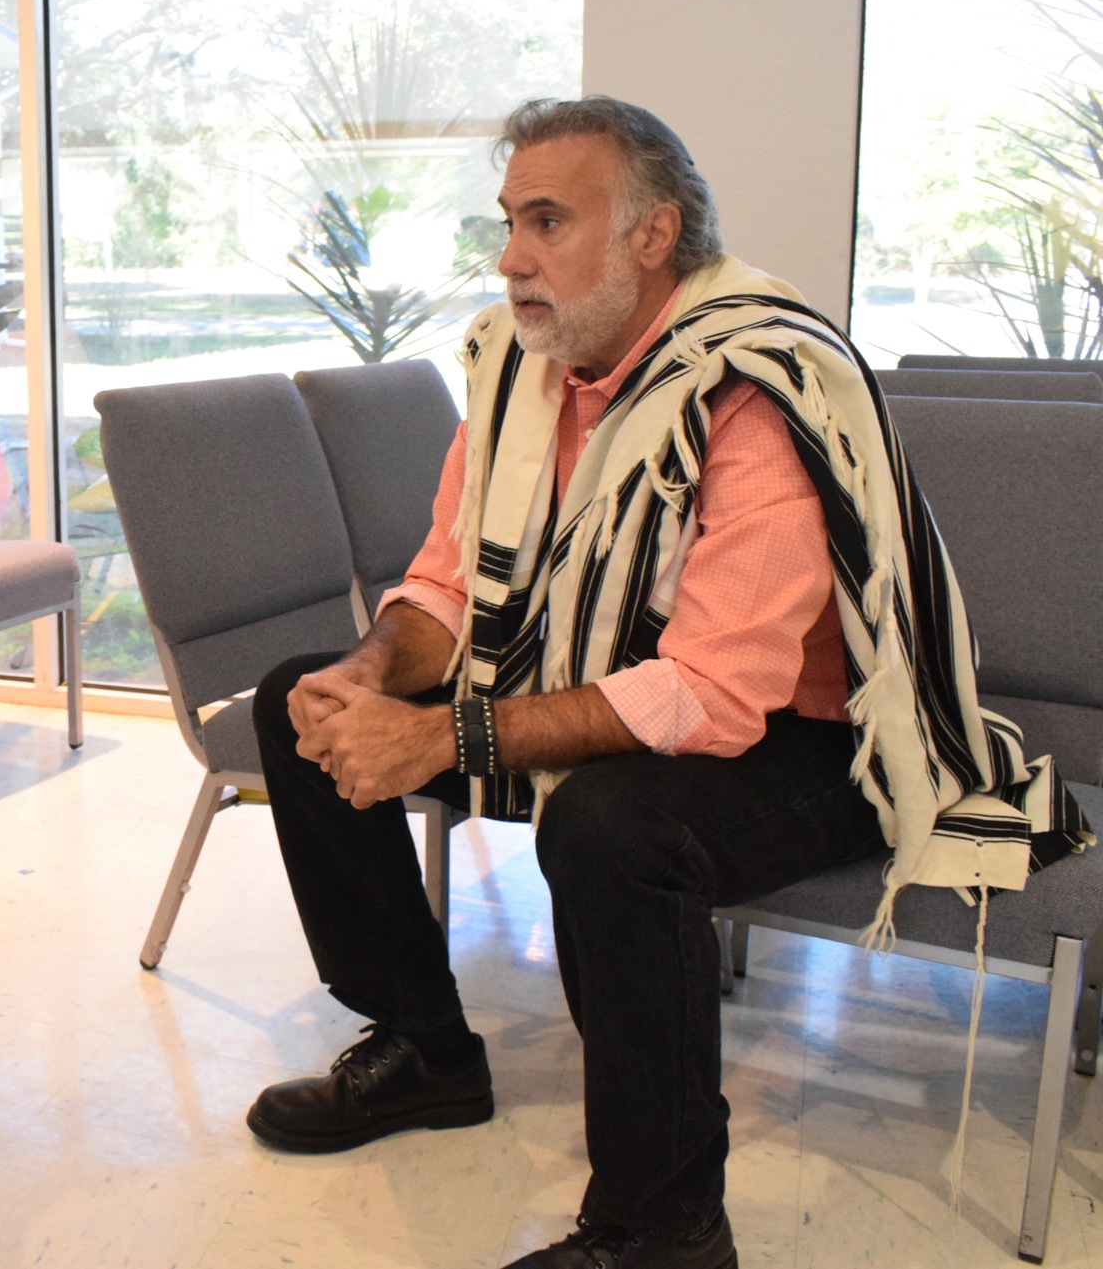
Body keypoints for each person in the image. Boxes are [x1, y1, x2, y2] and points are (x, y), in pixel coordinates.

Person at [243, 96, 1090, 1269]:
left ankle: (664, 1229)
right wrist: (365, 675)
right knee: (298, 702)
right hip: (612, 678)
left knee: (612, 826)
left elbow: (710, 694)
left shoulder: (757, 385)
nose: (509, 256)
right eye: (506, 221)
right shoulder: (517, 368)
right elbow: (445, 585)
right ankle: (424, 1048)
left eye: (546, 221)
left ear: (653, 234)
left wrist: (443, 743)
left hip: (817, 736)